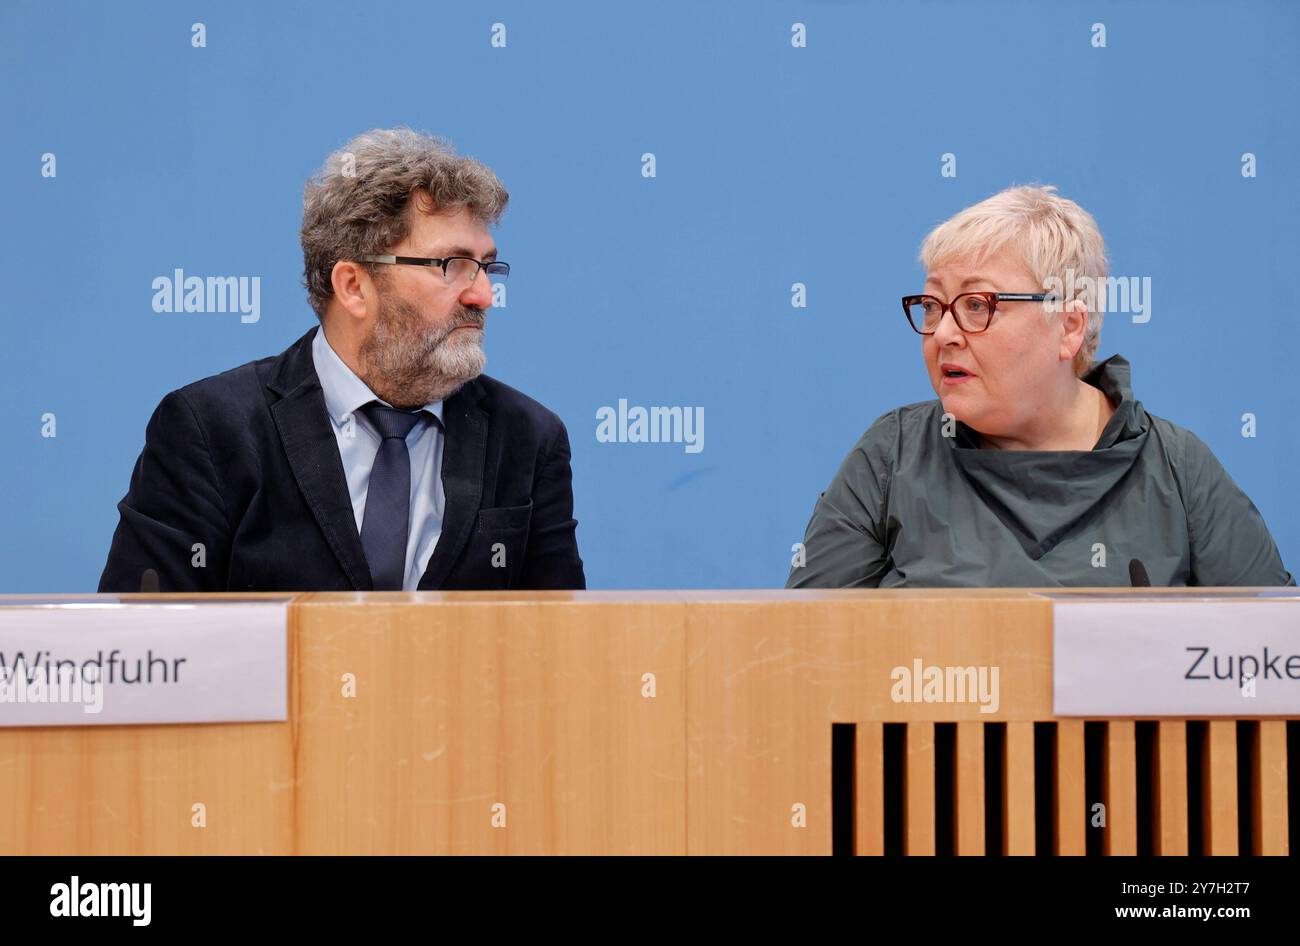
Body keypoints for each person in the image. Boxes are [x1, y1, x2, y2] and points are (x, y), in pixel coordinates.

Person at [99, 128, 585, 592]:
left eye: (487, 267)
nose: (483, 295)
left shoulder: (527, 440)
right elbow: (145, 649)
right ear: (354, 286)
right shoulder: (213, 430)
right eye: (452, 266)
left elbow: (560, 653)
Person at [787, 185, 1293, 588]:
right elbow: (801, 654)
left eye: (977, 306)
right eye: (934, 306)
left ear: (1069, 326)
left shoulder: (1177, 470)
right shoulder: (893, 456)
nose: (943, 334)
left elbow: (1273, 659)